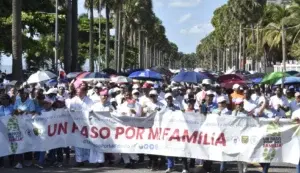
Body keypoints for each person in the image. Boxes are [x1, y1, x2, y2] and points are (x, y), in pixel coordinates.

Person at [66, 80, 99, 167]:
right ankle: (79, 160)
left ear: (85, 91)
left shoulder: (90, 101)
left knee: (88, 143)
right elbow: (68, 111)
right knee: (78, 143)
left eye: (80, 89)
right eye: (77, 89)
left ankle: (90, 159)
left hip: (87, 126)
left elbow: (93, 112)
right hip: (76, 126)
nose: (78, 91)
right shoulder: (73, 101)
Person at [13, 88, 36, 169]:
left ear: (26, 94)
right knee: (19, 142)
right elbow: (14, 111)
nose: (22, 94)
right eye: (20, 93)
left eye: (23, 93)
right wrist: (17, 111)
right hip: (19, 125)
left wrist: (25, 112)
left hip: (28, 125)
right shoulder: (17, 101)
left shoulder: (30, 101)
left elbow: (33, 112)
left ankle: (28, 159)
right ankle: (19, 162)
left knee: (27, 142)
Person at [117, 90, 140, 168]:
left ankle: (135, 159)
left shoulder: (137, 104)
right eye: (126, 95)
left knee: (131, 145)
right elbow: (118, 114)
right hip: (124, 127)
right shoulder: (122, 105)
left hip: (133, 127)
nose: (127, 96)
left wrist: (134, 113)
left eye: (129, 95)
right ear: (124, 96)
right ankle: (127, 162)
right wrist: (122, 114)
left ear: (131, 95)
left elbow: (139, 115)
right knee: (123, 145)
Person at [164, 92, 181, 173]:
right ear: (165, 99)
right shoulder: (163, 108)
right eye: (167, 98)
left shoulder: (177, 108)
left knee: (178, 148)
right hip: (167, 131)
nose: (169, 99)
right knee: (168, 149)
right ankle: (170, 166)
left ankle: (183, 165)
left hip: (176, 131)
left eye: (170, 98)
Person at [0, 94, 14, 168]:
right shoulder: (0, 108)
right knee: (1, 146)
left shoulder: (13, 107)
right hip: (1, 130)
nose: (3, 100)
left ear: (8, 99)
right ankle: (1, 162)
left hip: (10, 129)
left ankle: (11, 161)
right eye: (2, 99)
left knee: (10, 146)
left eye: (5, 98)